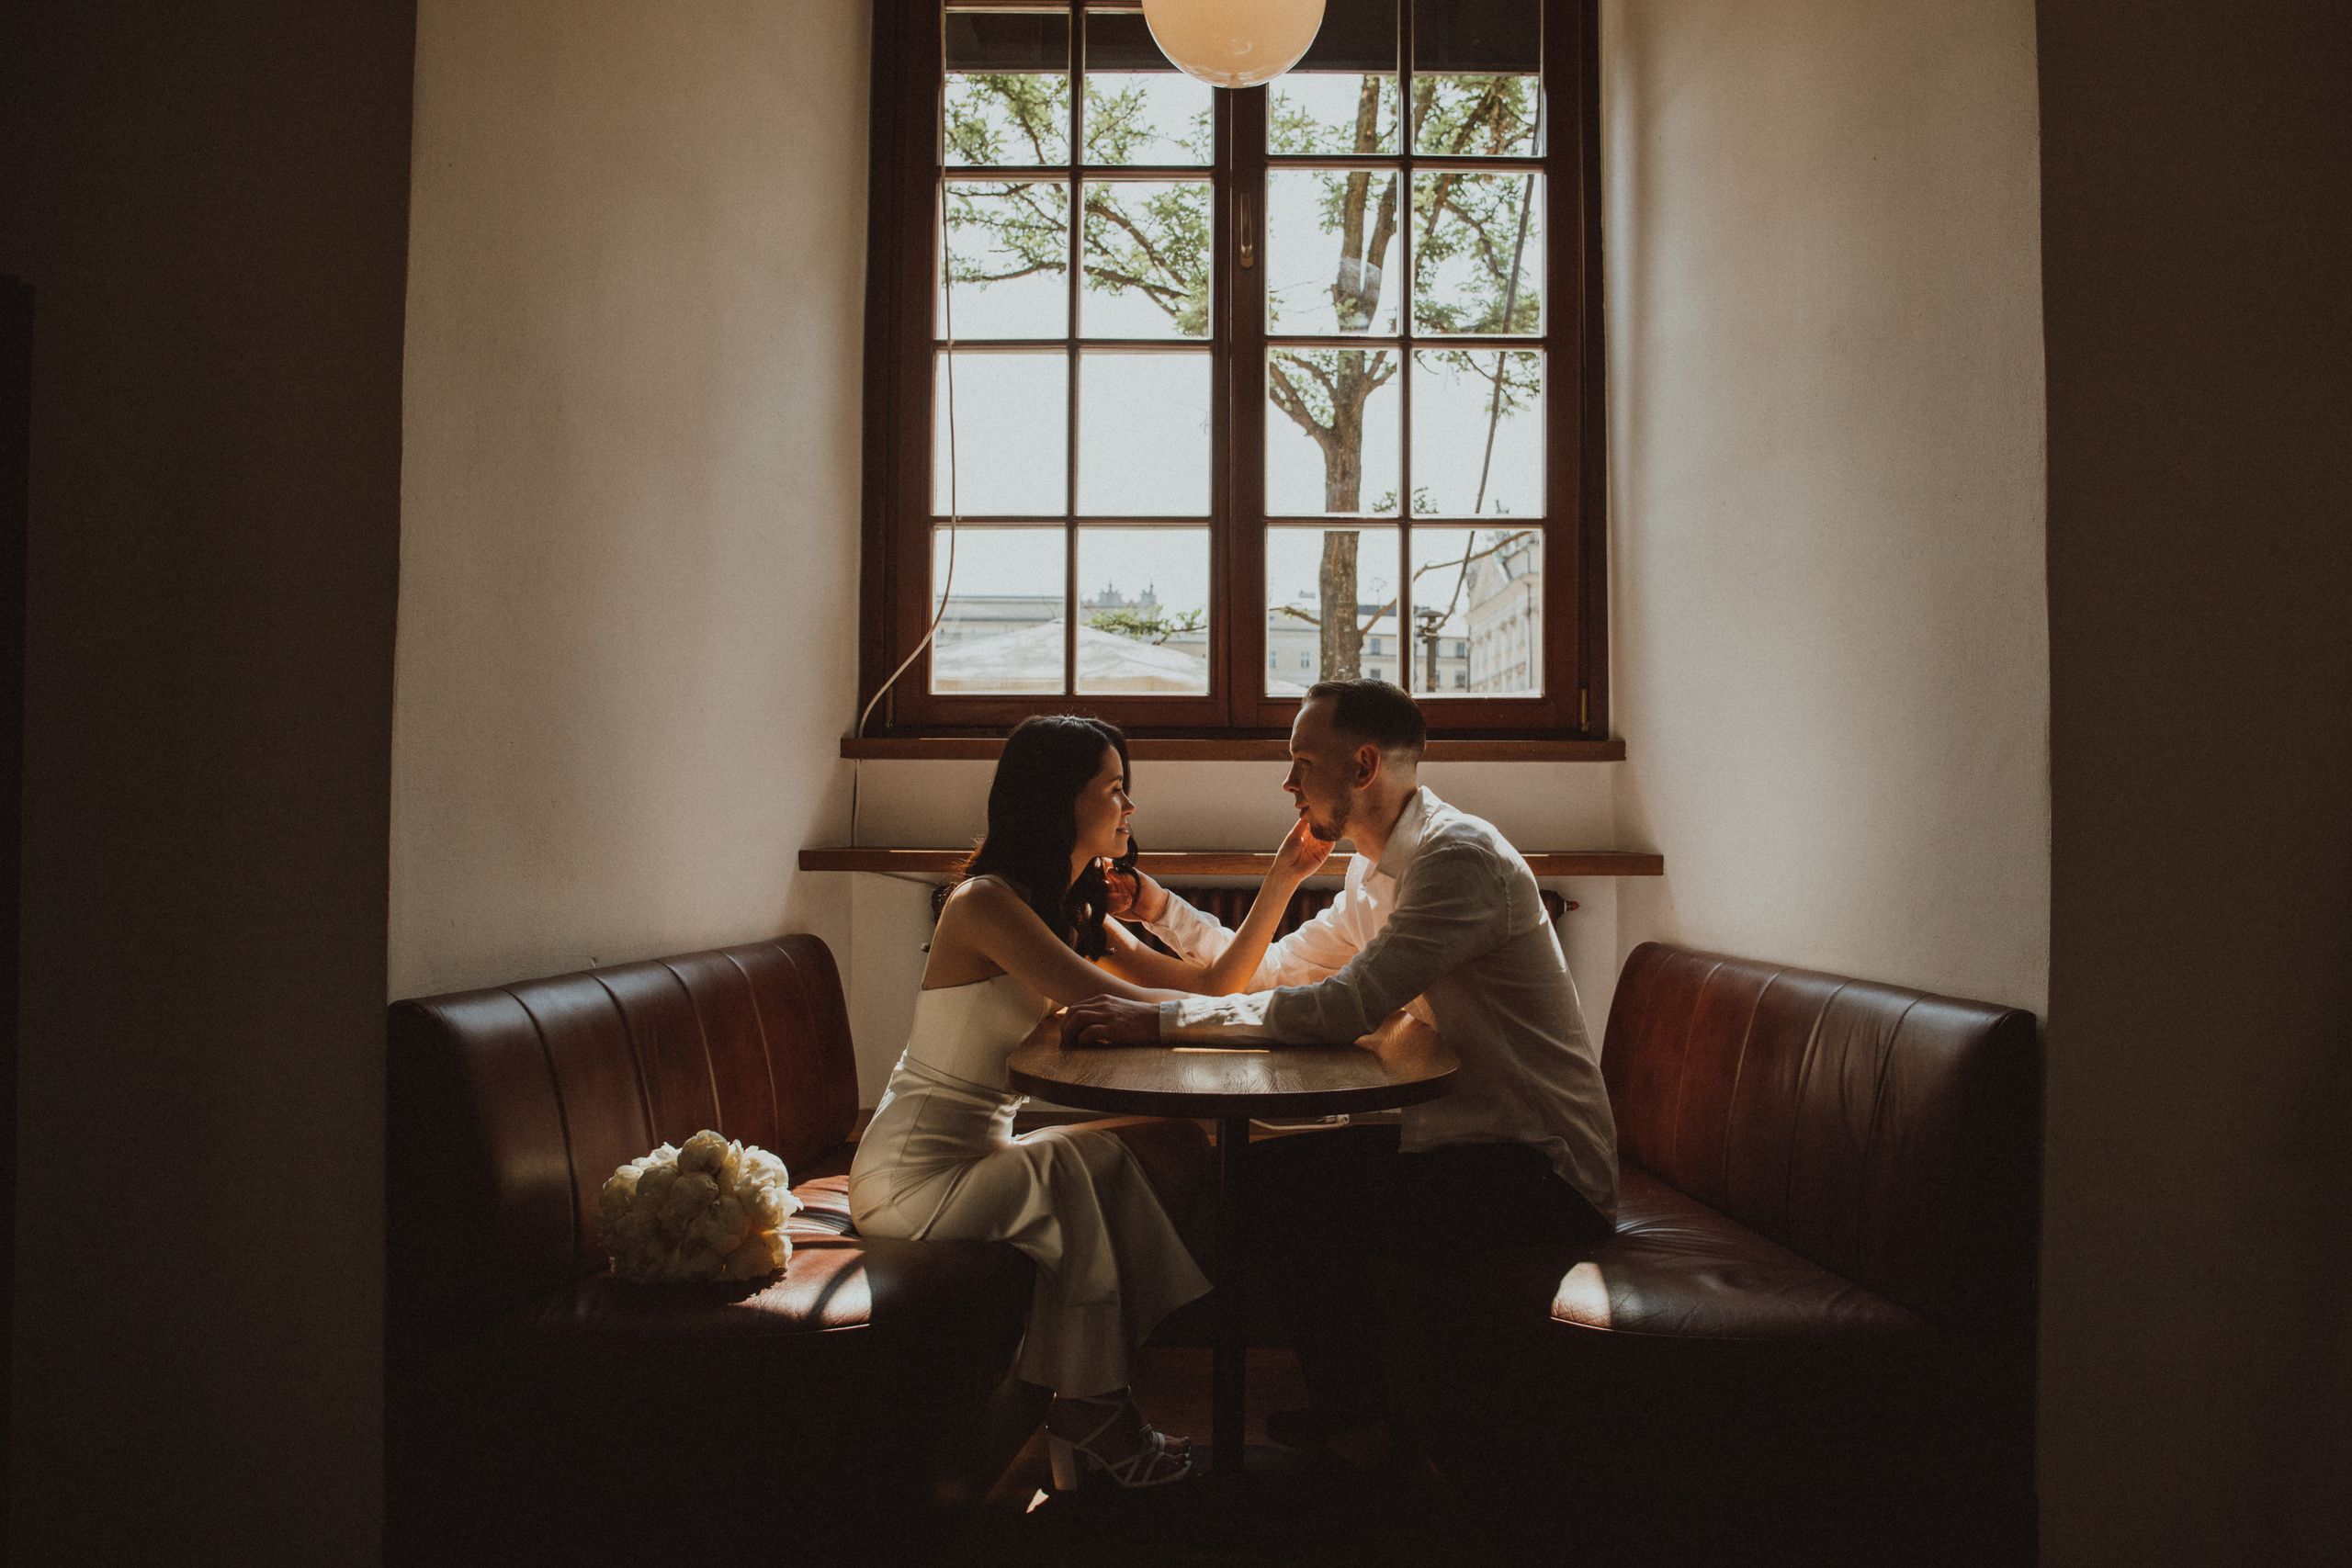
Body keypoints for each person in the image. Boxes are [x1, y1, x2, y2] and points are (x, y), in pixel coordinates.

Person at [1060, 679, 1620, 1474]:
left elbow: (1341, 1007)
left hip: (1541, 1168)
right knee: (1263, 1181)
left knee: (1275, 1193)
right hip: (1466, 1137)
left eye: (1300, 763)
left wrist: (1156, 1021)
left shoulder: (1457, 862)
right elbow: (1279, 972)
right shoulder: (1375, 871)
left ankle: (1364, 1436)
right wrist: (1160, 908)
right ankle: (1358, 1419)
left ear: (1363, 765)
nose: (1287, 784)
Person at [847, 714, 1331, 1490]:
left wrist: (1284, 878)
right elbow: (1120, 1007)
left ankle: (1091, 1409)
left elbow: (1214, 987)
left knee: (1161, 1151)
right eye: (1114, 791)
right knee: (1089, 1173)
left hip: (983, 1152)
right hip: (915, 1174)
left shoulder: (1072, 910)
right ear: (1058, 800)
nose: (1128, 810)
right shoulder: (986, 903)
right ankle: (1090, 1411)